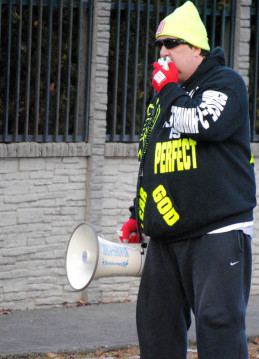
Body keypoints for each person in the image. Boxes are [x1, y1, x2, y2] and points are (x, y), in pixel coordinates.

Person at [119, 1, 257, 358]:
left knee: (218, 328)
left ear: (196, 48)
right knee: (156, 329)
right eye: (159, 45)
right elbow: (152, 159)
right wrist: (141, 214)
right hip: (167, 238)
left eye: (172, 44)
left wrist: (167, 91)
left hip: (217, 233)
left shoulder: (225, 83)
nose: (163, 53)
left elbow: (203, 124)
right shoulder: (165, 98)